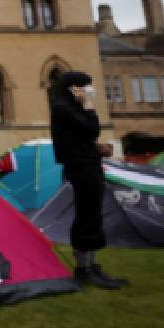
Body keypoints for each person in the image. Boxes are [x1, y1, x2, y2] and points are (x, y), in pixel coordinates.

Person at [49, 70, 128, 290]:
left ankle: (91, 266)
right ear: (73, 88)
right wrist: (88, 105)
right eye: (85, 86)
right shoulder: (63, 108)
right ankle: (83, 269)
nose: (88, 90)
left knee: (92, 214)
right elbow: (92, 128)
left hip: (89, 164)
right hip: (80, 167)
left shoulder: (70, 109)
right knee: (86, 215)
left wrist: (95, 148)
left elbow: (83, 136)